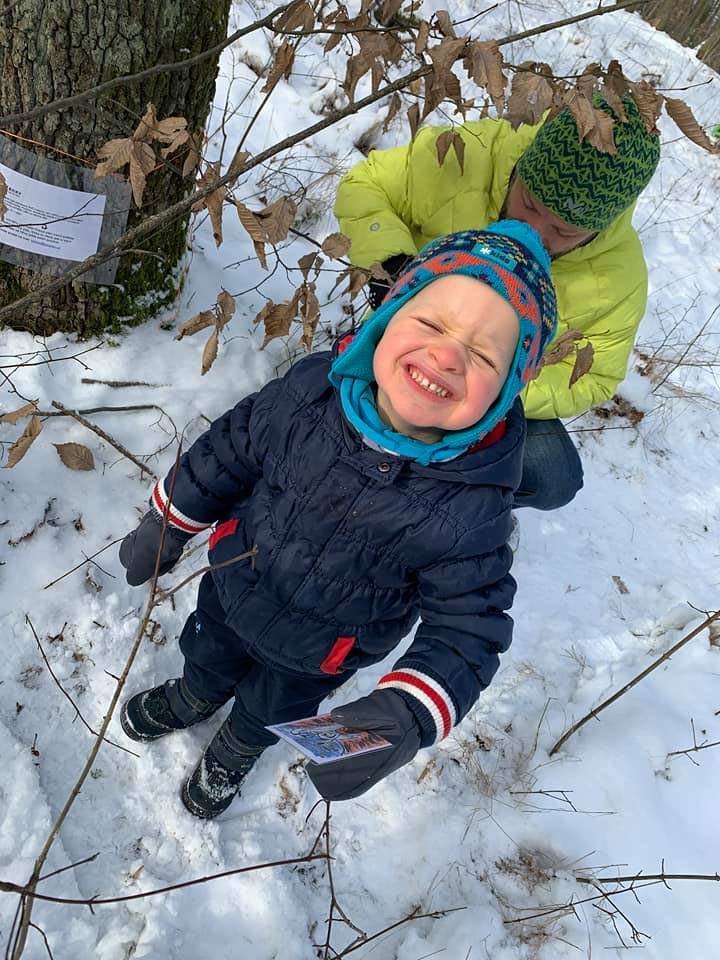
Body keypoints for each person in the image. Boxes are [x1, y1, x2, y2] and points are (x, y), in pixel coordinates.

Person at [118, 221, 557, 818]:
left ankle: (235, 748)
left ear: (506, 392)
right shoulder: (307, 395)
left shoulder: (472, 509)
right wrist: (171, 517)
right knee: (207, 651)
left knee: (270, 708)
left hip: (320, 650)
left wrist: (409, 711)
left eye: (483, 355)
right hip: (236, 585)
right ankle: (194, 696)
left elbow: (469, 626)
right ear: (388, 317)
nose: (448, 354)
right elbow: (230, 449)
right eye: (431, 322)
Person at [335, 95, 661, 511]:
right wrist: (394, 271)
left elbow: (596, 377)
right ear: (523, 166)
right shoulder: (466, 155)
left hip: (492, 398)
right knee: (322, 403)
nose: (533, 230)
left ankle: (444, 507)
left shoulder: (620, 277)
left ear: (598, 227)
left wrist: (500, 388)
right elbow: (364, 186)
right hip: (408, 349)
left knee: (555, 476)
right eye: (529, 202)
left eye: (563, 230)